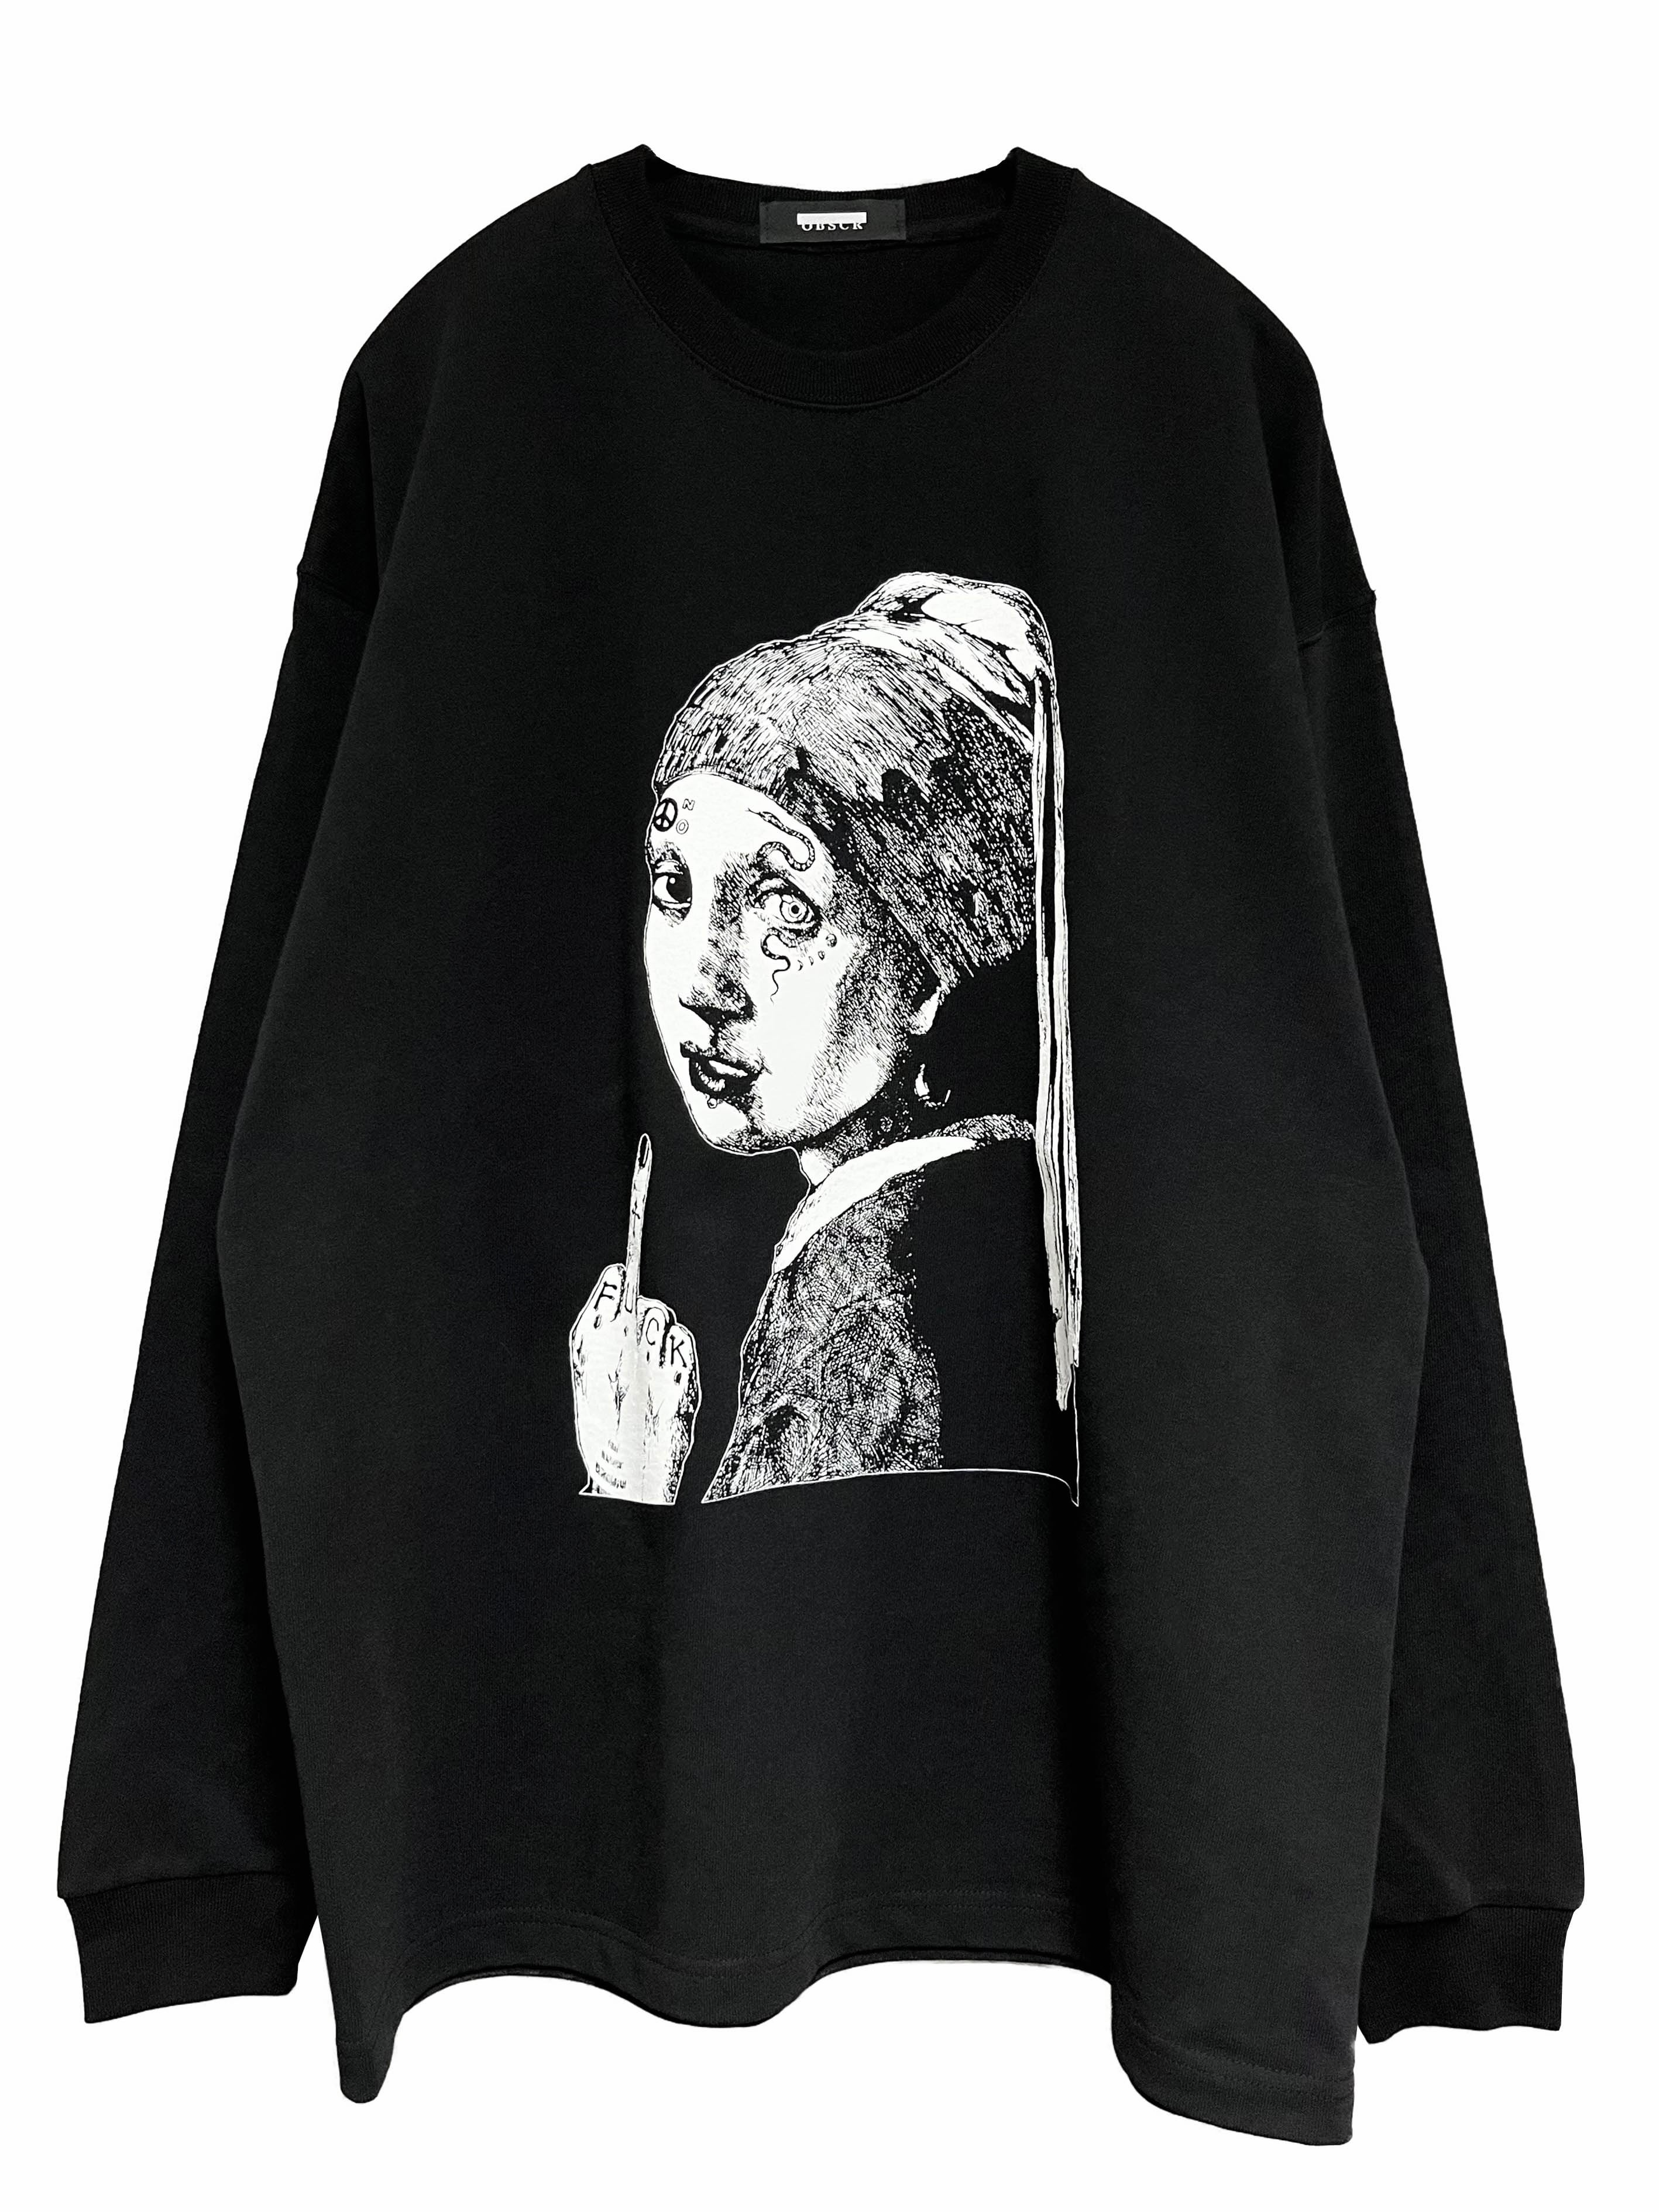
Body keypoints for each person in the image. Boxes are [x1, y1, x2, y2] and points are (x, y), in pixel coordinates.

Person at [569, 572, 1081, 1503]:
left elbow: (802, 1589)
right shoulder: (994, 1207)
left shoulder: (870, 1299)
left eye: (785, 908)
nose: (704, 985)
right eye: (675, 888)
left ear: (931, 971)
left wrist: (626, 1470)